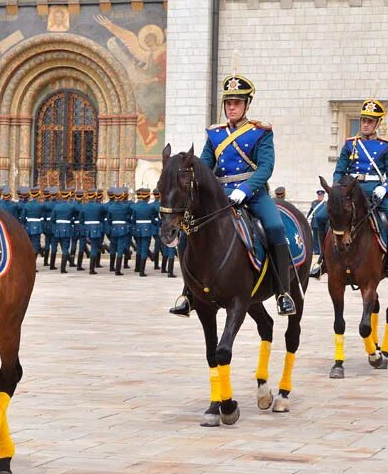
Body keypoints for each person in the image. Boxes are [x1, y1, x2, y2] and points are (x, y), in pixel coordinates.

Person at [170, 73, 296, 317]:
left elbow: (265, 167)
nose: (231, 108)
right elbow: (205, 166)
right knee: (189, 230)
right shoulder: (215, 134)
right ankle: (188, 293)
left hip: (253, 193)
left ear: (247, 104)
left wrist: (245, 189)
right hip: (219, 196)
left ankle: (283, 292)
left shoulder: (260, 132)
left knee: (275, 227)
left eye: (237, 103)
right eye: (228, 103)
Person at [309, 99, 388, 284]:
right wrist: (337, 191)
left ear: (377, 123)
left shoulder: (385, 146)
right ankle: (323, 261)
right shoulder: (350, 145)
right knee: (321, 218)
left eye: (370, 121)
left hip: (374, 192)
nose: (365, 124)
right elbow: (340, 170)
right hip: (350, 191)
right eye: (363, 120)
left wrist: (385, 188)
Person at [131, 188, 157, 277]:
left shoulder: (135, 207)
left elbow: (133, 219)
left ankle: (137, 267)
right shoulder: (150, 207)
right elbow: (153, 218)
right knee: (144, 249)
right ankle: (142, 271)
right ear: (148, 196)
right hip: (146, 229)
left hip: (137, 228)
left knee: (139, 248)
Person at [307, 189, 326, 256]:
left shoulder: (325, 203)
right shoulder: (314, 203)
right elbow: (310, 212)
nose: (320, 196)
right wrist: (308, 220)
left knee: (322, 237)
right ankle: (316, 250)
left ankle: (322, 250)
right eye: (319, 195)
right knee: (315, 237)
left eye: (321, 195)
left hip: (322, 223)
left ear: (323, 196)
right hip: (314, 223)